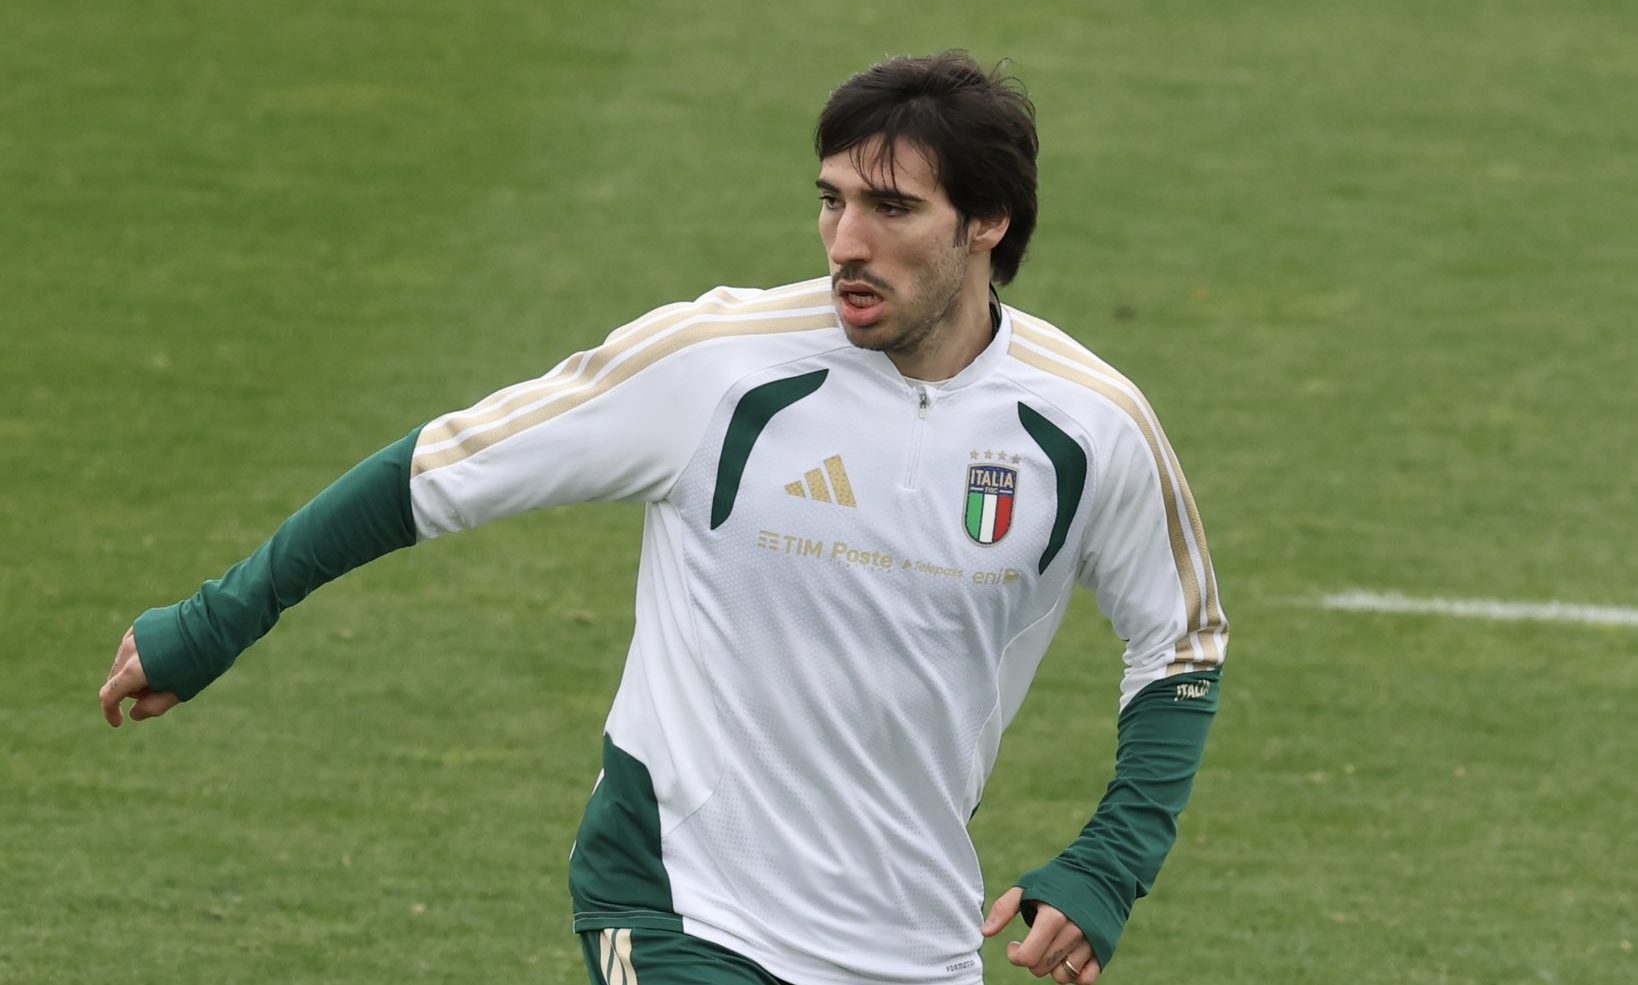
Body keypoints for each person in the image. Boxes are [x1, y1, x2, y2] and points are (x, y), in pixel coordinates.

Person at [100, 51, 1228, 985]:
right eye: (831, 200)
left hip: (910, 936)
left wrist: (1109, 862)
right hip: (684, 898)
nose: (845, 242)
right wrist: (218, 619)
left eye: (892, 209)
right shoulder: (717, 366)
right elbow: (435, 474)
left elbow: (1180, 638)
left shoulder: (1089, 426)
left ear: (987, 222)